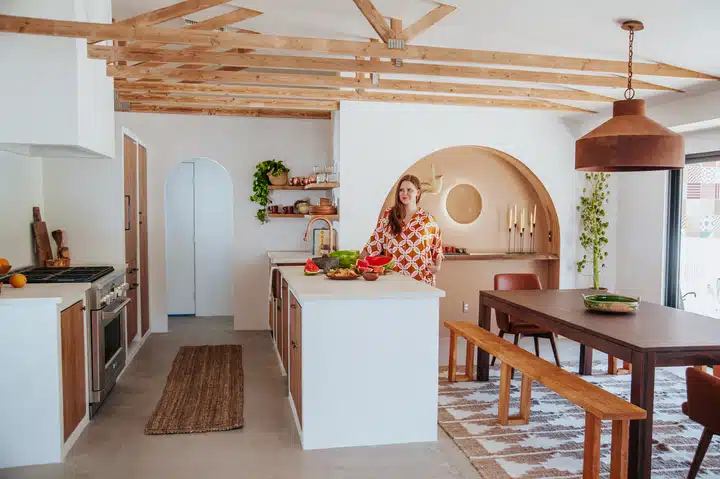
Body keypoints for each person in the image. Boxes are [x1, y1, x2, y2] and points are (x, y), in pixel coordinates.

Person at [362, 174, 443, 285]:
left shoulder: (427, 219)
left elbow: (437, 247)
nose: (404, 194)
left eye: (409, 190)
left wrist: (437, 267)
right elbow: (375, 242)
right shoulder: (389, 215)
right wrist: (357, 263)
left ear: (418, 193)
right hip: (393, 279)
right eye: (401, 190)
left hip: (420, 279)